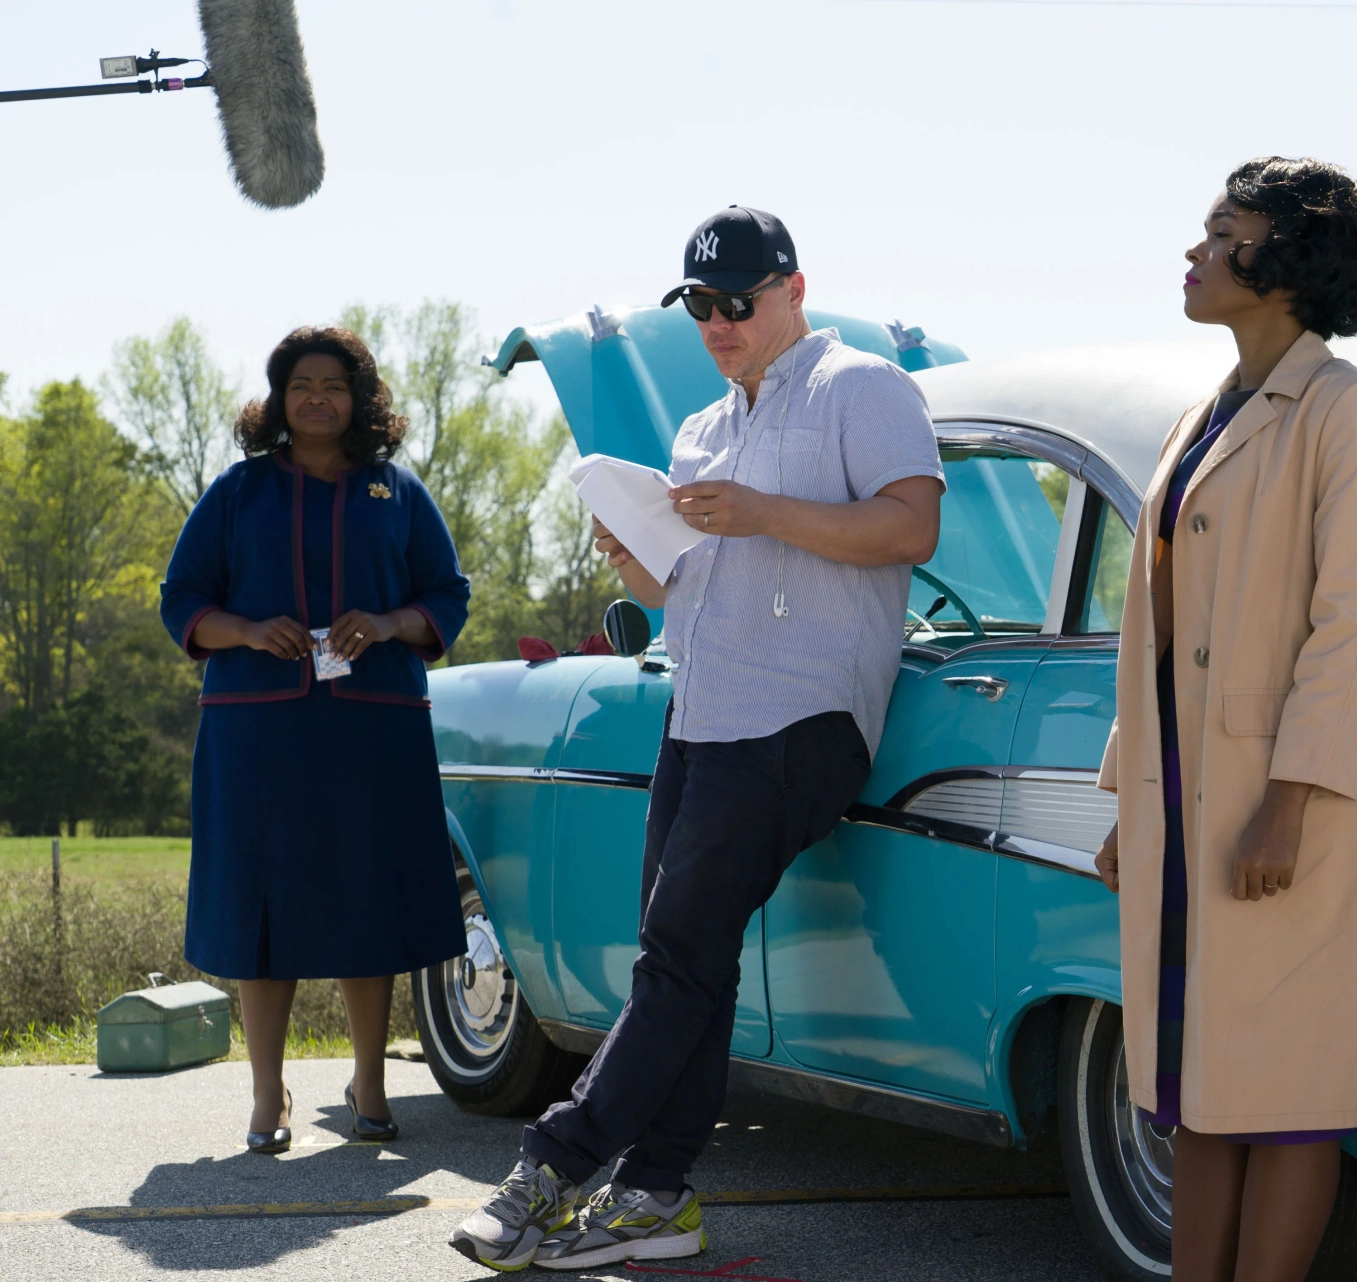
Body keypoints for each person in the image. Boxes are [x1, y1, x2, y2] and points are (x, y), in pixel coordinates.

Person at [450, 206, 944, 1272]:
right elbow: (693, 593)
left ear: (793, 289)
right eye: (701, 305)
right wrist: (637, 556)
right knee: (685, 967)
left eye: (739, 301)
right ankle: (657, 1194)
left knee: (675, 960)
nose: (718, 321)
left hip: (802, 721)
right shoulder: (699, 429)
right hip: (700, 714)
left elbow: (911, 526)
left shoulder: (864, 386)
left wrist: (762, 511)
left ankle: (547, 1168)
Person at [1090, 157, 1357, 1281]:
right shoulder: (1204, 415)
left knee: (1285, 1093)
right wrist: (1131, 795)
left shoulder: (1347, 414)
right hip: (1187, 807)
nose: (1194, 250)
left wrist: (1289, 802)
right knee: (1201, 1089)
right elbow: (1158, 632)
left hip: (1289, 814)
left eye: (1220, 230)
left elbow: (1356, 629)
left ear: (1283, 261)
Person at [159, 327, 471, 1154]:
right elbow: (181, 597)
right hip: (258, 738)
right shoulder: (236, 492)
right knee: (264, 916)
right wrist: (249, 632)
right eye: (301, 385)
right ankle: (268, 1094)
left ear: (360, 400)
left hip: (374, 734)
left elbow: (447, 593)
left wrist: (395, 620)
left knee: (367, 905)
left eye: (334, 385)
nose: (317, 398)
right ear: (278, 399)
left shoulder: (396, 492)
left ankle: (369, 1083)